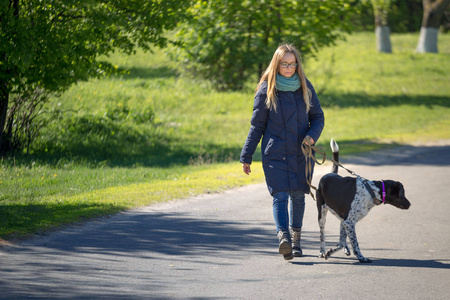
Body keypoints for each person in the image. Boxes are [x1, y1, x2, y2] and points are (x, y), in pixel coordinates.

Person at [240, 44, 324, 260]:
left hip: (301, 153)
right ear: (277, 64)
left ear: (297, 65)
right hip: (274, 153)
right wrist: (246, 156)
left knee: (298, 196)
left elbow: (318, 117)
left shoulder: (305, 87)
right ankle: (283, 238)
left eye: (292, 64)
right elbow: (257, 126)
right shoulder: (266, 89)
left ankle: (296, 241)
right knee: (280, 195)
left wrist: (312, 136)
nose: (289, 67)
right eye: (284, 64)